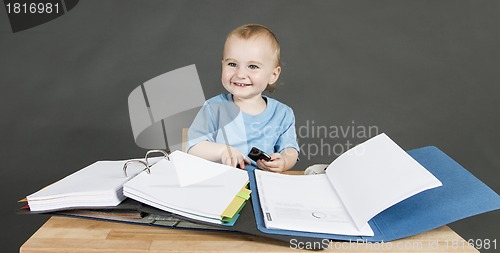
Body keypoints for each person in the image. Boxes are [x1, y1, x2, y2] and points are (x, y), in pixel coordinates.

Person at [186, 24, 299, 172]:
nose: (240, 74)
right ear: (222, 65)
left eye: (252, 66)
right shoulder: (214, 108)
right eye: (232, 64)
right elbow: (194, 147)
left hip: (263, 184)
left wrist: (283, 161)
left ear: (273, 75)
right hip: (222, 183)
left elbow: (290, 149)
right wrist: (222, 151)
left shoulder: (283, 114)